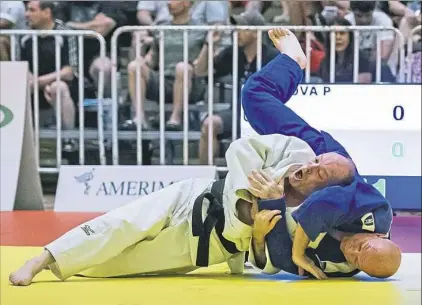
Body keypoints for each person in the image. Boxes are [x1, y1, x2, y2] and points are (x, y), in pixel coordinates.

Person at [9, 119, 356, 285]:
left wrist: (259, 236)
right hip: (194, 195)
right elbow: (240, 148)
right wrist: (254, 196)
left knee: (111, 268)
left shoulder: (304, 219)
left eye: (319, 174)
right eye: (317, 160)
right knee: (124, 222)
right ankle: (44, 258)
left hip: (205, 248)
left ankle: (71, 261)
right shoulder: (295, 150)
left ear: (325, 193)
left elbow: (265, 263)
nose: (310, 167)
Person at [241, 28, 401, 279]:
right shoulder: (378, 214)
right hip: (328, 164)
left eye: (356, 260)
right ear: (379, 236)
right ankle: (294, 61)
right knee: (254, 98)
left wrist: (273, 204)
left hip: (300, 189)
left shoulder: (341, 267)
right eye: (361, 247)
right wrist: (298, 252)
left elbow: (281, 256)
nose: (351, 251)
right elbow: (325, 204)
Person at [193, 10, 279, 164]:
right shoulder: (233, 53)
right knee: (209, 124)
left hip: (266, 114)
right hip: (238, 112)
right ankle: (205, 180)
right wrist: (209, 44)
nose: (237, 32)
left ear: (255, 32)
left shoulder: (272, 56)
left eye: (243, 28)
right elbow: (200, 71)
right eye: (236, 28)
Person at [21, 1, 79, 152]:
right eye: (27, 10)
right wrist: (34, 82)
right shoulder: (23, 35)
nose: (27, 14)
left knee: (57, 87)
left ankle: (69, 140)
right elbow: (20, 66)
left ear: (47, 12)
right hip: (33, 87)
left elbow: (70, 71)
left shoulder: (65, 32)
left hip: (63, 87)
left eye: (32, 10)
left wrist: (40, 82)